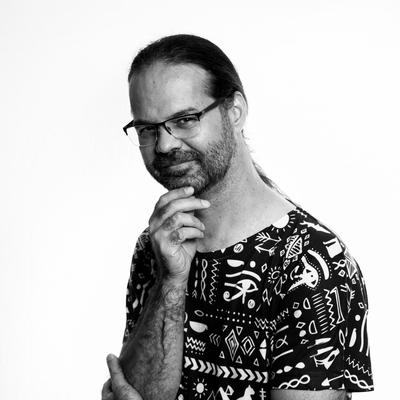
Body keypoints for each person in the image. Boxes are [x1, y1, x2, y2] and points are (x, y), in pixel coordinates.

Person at [103, 34, 373, 400]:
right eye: (148, 129)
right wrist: (170, 282)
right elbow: (138, 391)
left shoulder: (311, 263)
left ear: (235, 111)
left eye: (185, 119)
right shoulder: (159, 244)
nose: (164, 144)